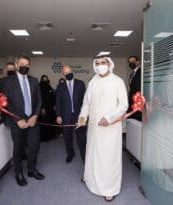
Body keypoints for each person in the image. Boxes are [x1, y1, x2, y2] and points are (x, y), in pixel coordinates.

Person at [77, 55, 128, 202]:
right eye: (97, 63)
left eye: (103, 63)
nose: (100, 65)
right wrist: (82, 117)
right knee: (93, 154)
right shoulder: (93, 81)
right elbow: (86, 103)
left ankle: (109, 189)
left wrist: (110, 118)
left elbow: (123, 105)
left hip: (110, 128)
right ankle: (90, 179)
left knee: (108, 157)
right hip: (94, 127)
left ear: (109, 64)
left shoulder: (118, 81)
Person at [1, 55, 44, 186]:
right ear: (16, 64)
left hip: (33, 121)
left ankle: (31, 170)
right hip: (17, 122)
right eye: (22, 64)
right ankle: (18, 173)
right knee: (18, 149)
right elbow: (5, 103)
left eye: (27, 65)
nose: (24, 67)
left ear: (29, 66)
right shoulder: (7, 82)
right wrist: (17, 119)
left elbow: (39, 101)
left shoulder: (34, 81)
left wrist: (35, 116)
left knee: (34, 147)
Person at [56, 66, 86, 163]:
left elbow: (85, 101)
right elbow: (58, 102)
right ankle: (70, 153)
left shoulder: (80, 84)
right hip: (66, 116)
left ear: (72, 72)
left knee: (81, 137)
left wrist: (84, 115)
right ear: (63, 74)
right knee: (67, 136)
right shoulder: (60, 86)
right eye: (66, 72)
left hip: (79, 116)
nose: (68, 73)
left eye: (69, 71)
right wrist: (58, 115)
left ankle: (84, 155)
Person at [39, 75, 56, 141]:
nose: (45, 80)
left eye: (46, 79)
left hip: (50, 109)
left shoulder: (49, 87)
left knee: (50, 122)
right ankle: (44, 138)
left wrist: (54, 105)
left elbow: (52, 97)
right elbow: (39, 98)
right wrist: (42, 108)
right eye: (44, 79)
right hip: (43, 109)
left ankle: (51, 136)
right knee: (44, 123)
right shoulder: (39, 87)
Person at [127, 56, 141, 121]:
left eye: (133, 61)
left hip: (138, 101)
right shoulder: (131, 74)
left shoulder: (141, 72)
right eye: (129, 62)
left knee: (137, 120)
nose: (131, 63)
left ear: (138, 62)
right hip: (131, 100)